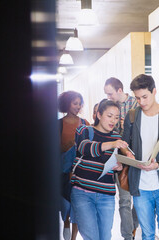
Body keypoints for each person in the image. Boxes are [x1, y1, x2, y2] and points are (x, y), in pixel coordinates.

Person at [122, 74, 159, 240]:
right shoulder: (132, 117)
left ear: (154, 91)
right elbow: (124, 144)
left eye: (145, 97)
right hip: (140, 186)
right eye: (137, 98)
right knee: (147, 234)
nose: (141, 102)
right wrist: (127, 154)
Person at [70, 99, 133, 240]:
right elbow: (85, 148)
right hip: (82, 193)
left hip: (106, 195)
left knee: (105, 237)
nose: (113, 121)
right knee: (92, 237)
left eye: (116, 117)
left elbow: (117, 164)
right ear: (99, 115)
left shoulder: (117, 137)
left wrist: (119, 166)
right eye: (109, 116)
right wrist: (112, 144)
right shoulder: (84, 130)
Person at [104, 77, 139, 240]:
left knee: (139, 200)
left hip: (138, 158)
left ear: (119, 90)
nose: (108, 97)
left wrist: (131, 126)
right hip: (120, 158)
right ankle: (127, 236)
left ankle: (132, 227)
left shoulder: (136, 104)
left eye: (110, 94)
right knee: (125, 201)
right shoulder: (110, 108)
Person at [58, 91, 90, 240]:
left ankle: (73, 237)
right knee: (66, 204)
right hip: (63, 173)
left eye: (79, 103)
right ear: (66, 104)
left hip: (80, 172)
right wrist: (68, 146)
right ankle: (65, 225)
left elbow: (91, 147)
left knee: (78, 205)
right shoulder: (58, 124)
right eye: (74, 103)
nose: (78, 107)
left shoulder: (85, 124)